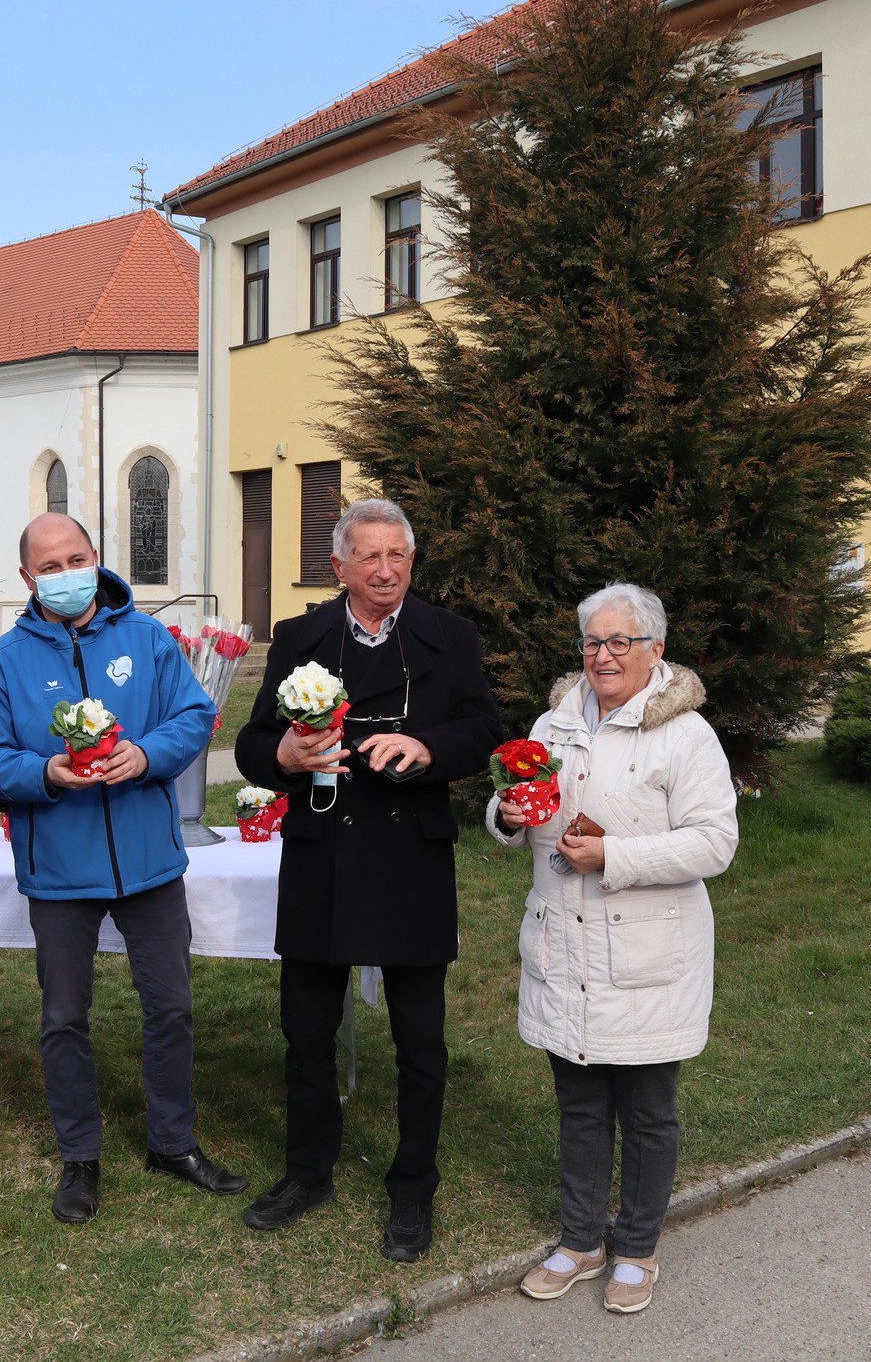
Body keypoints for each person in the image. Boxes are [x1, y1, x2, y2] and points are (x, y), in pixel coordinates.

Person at [234, 497, 503, 1262]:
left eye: (399, 555)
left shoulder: (449, 637)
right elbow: (255, 743)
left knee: (422, 1041)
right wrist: (283, 758)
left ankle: (413, 1186)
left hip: (411, 855)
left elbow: (481, 727)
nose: (386, 570)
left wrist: (427, 748)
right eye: (370, 556)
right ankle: (307, 1171)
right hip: (324, 854)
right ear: (339, 567)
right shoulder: (298, 637)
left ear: (412, 562)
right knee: (307, 1034)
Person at [0, 513, 247, 1223]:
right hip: (58, 867)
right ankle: (80, 1156)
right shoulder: (3, 664)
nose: (65, 573)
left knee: (171, 1007)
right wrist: (46, 771)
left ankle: (172, 1141)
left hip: (149, 863)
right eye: (49, 565)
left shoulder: (147, 639)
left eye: (76, 558)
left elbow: (193, 715)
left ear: (96, 557)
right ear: (28, 578)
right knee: (64, 1016)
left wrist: (147, 754)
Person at [492, 582, 739, 1316]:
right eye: (592, 642)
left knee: (648, 1110)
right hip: (564, 947)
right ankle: (580, 1240)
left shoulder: (685, 733)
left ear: (655, 650)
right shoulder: (555, 720)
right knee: (579, 1105)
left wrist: (617, 855)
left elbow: (715, 841)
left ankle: (635, 1246)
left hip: (647, 958)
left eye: (619, 642)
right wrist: (505, 811)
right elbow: (520, 802)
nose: (603, 655)